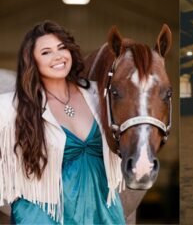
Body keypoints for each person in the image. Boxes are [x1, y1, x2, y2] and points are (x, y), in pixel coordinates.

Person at [0, 21, 125, 224]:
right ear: (32, 61)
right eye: (46, 52)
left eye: (61, 48)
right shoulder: (12, 107)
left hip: (103, 211)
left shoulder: (98, 94)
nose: (58, 56)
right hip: (45, 215)